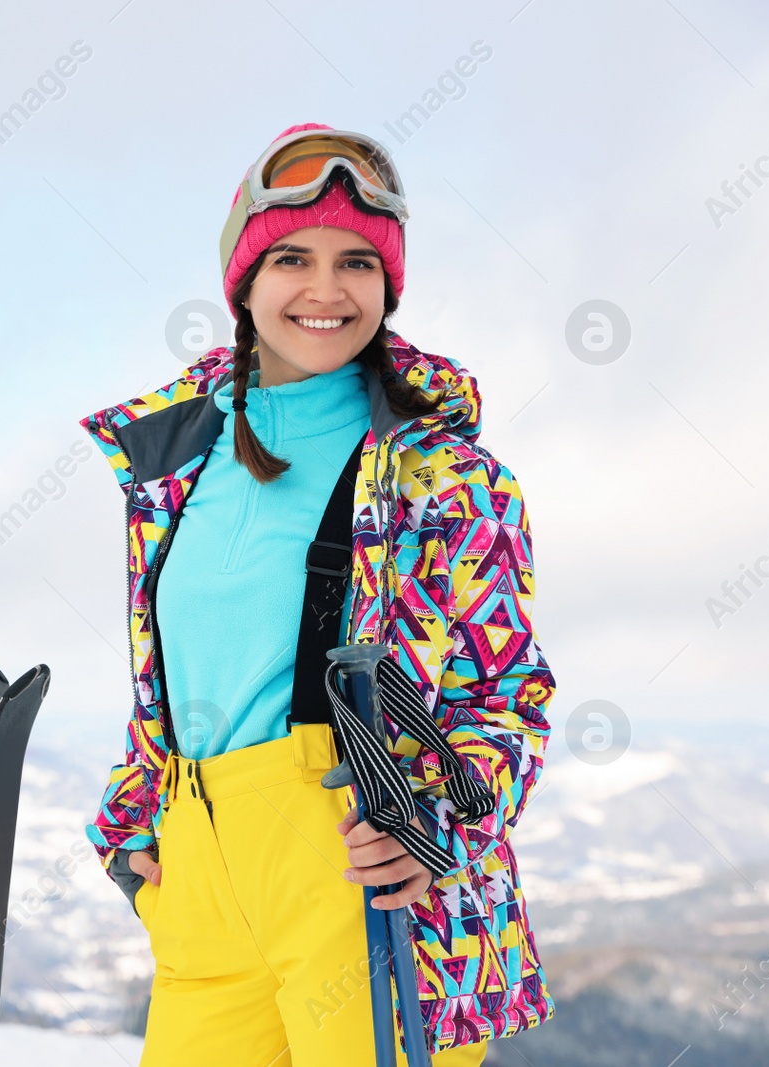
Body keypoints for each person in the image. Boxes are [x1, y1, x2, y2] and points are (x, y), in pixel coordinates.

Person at [78, 123, 557, 1065]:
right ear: (244, 281)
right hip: (204, 889)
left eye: (357, 263)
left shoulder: (449, 475)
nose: (326, 290)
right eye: (292, 256)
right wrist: (135, 824)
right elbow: (175, 682)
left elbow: (511, 696)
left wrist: (434, 828)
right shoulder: (174, 466)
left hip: (366, 879)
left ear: (388, 285)